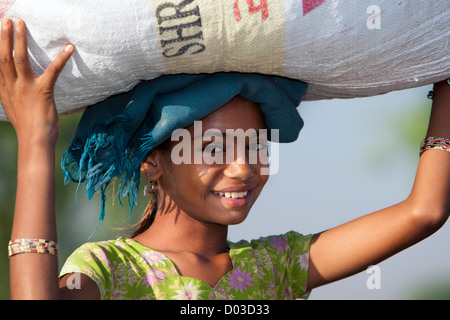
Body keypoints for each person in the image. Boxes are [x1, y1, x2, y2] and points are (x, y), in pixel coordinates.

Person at [1, 18, 449, 300]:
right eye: (214, 148)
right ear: (151, 160)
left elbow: (424, 212)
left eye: (256, 146)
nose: (244, 169)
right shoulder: (110, 270)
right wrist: (36, 142)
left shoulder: (276, 267)